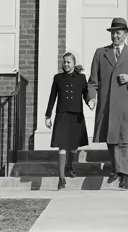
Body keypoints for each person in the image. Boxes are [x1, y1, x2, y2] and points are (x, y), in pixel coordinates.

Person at [87, 17, 128, 189]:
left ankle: (124, 172)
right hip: (106, 102)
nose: (115, 37)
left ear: (125, 34)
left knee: (124, 138)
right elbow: (93, 80)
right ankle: (115, 166)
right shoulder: (100, 53)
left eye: (118, 33)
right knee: (110, 137)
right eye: (113, 33)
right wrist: (91, 97)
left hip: (125, 102)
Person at [45, 52, 92, 190]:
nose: (66, 64)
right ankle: (61, 178)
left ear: (73, 63)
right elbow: (52, 97)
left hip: (76, 115)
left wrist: (90, 101)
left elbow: (85, 94)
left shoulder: (81, 78)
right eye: (64, 62)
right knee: (62, 146)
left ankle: (70, 165)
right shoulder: (58, 78)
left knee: (73, 147)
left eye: (68, 62)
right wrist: (48, 116)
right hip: (62, 115)